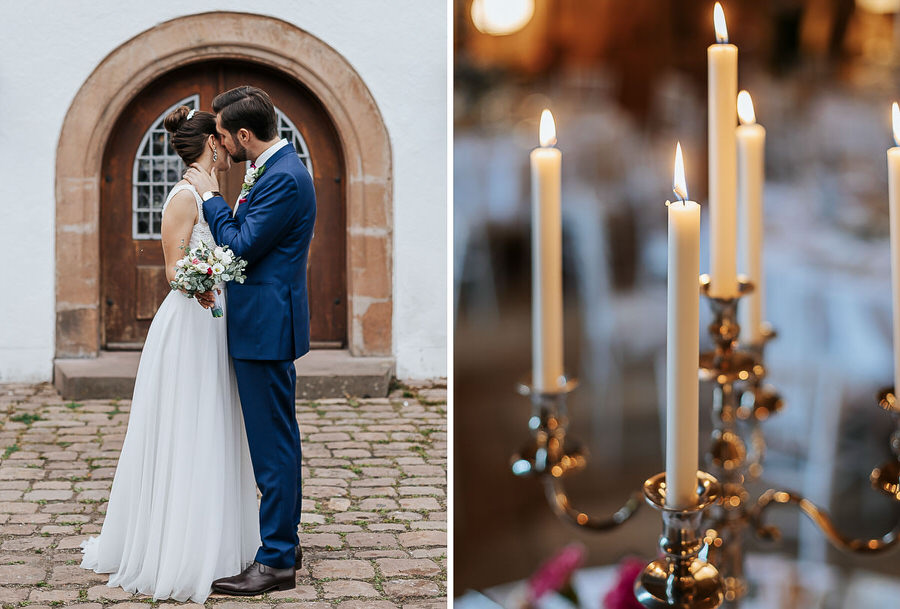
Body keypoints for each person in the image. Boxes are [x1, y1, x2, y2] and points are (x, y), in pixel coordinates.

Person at [80, 106, 261, 602]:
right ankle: (181, 545)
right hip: (192, 324)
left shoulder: (212, 192)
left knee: (218, 421)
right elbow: (172, 268)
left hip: (217, 322)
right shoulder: (184, 196)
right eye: (224, 141)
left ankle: (221, 533)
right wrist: (202, 283)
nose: (230, 149)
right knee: (191, 424)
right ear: (211, 144)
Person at [184, 85, 316, 596]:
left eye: (221, 134)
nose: (219, 145)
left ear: (243, 134)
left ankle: (279, 560)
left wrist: (211, 196)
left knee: (272, 445)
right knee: (275, 439)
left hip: (265, 326)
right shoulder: (275, 168)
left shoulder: (283, 178)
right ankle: (285, 541)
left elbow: (239, 244)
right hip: (260, 320)